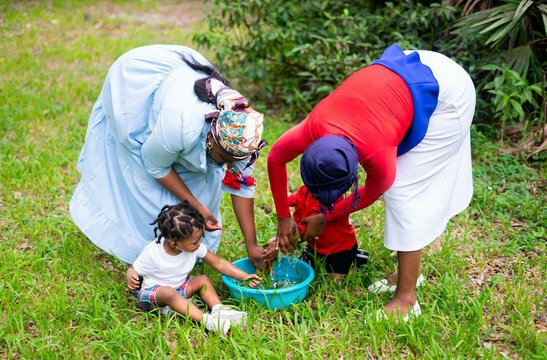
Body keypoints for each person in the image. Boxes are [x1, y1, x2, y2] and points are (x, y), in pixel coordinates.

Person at [266, 44, 475, 320]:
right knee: (403, 191)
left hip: (447, 93)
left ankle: (406, 299)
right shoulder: (315, 125)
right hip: (409, 69)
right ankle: (407, 275)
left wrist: (326, 216)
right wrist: (283, 218)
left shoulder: (379, 156)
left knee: (403, 194)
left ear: (356, 171)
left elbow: (372, 192)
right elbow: (275, 159)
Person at [69, 45, 267, 266]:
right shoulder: (180, 125)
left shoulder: (245, 133)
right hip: (136, 85)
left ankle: (188, 248)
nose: (231, 165)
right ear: (211, 139)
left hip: (179, 80)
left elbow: (241, 185)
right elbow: (155, 166)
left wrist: (252, 245)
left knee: (203, 179)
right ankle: (150, 251)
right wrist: (196, 207)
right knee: (143, 180)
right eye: (226, 158)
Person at [126, 202, 261, 335]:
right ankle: (207, 321)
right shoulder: (152, 253)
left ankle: (219, 310)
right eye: (195, 242)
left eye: (200, 239)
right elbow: (133, 269)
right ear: (175, 244)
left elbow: (219, 263)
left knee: (202, 280)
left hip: (178, 289)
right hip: (153, 295)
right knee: (169, 293)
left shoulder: (194, 246)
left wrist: (244, 276)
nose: (200, 243)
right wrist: (130, 275)